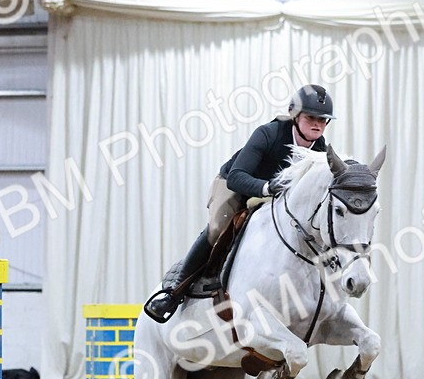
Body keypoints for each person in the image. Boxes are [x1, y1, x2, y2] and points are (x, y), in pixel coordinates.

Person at [143, 84, 335, 323]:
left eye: (324, 120)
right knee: (217, 228)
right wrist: (266, 187)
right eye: (311, 117)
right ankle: (175, 293)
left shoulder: (319, 147)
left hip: (275, 195)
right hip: (235, 185)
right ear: (294, 115)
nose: (317, 124)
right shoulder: (268, 133)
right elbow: (236, 177)